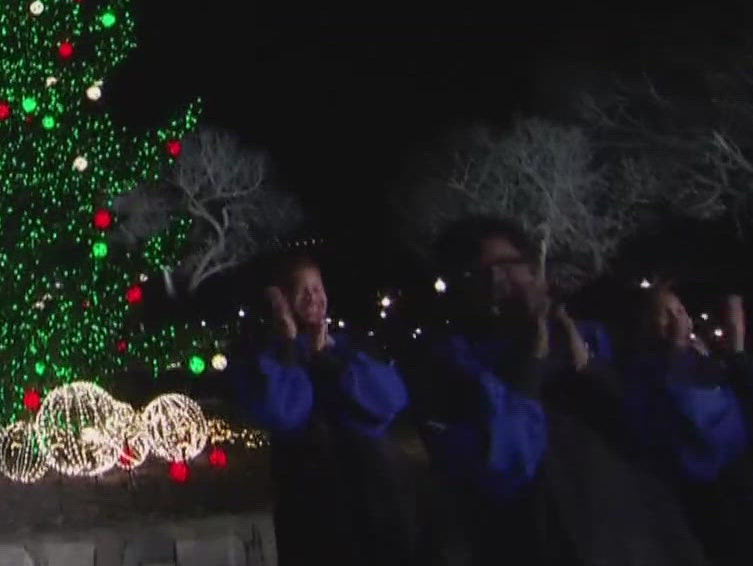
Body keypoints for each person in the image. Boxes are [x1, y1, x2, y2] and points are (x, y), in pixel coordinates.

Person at [414, 216, 707, 566]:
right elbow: (497, 467)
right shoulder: (454, 367)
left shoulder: (600, 339)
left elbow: (673, 439)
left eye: (507, 266)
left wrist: (591, 369)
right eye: (474, 274)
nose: (497, 281)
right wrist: (531, 363)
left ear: (535, 271)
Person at [616, 285, 753, 564]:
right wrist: (679, 352)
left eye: (679, 310)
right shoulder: (642, 372)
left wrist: (735, 350)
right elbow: (691, 426)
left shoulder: (705, 361)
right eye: (664, 314)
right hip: (710, 499)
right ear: (642, 325)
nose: (677, 320)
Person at [231, 254, 418, 566]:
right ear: (284, 301)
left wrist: (325, 358)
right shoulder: (267, 360)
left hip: (374, 502)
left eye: (317, 288)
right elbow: (283, 412)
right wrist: (291, 346)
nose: (313, 297)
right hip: (309, 506)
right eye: (301, 290)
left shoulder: (350, 349)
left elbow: (390, 400)